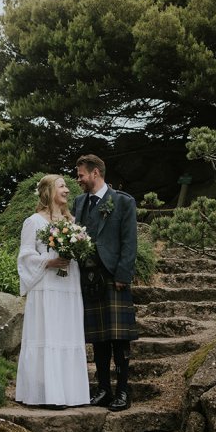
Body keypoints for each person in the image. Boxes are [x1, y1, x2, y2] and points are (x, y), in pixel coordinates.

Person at [14, 174, 90, 408]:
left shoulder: (73, 222)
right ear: (48, 191)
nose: (67, 190)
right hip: (46, 287)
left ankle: (70, 393)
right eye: (62, 186)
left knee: (67, 333)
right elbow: (25, 256)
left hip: (68, 286)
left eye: (67, 186)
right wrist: (48, 262)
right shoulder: (34, 222)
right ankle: (45, 394)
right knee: (48, 334)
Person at [73, 154, 139, 412]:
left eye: (81, 175)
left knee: (119, 339)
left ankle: (123, 392)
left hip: (113, 277)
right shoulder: (79, 203)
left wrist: (124, 274)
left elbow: (129, 241)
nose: (78, 180)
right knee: (98, 339)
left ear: (95, 173)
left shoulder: (122, 202)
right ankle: (103, 390)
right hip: (88, 278)